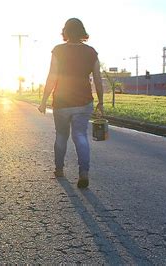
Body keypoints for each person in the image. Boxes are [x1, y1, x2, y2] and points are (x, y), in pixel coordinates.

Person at [38, 18, 104, 188]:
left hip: (61, 102)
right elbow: (98, 79)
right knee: (80, 135)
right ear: (82, 31)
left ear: (65, 31)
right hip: (84, 102)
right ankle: (84, 172)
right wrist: (101, 102)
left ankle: (59, 169)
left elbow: (52, 76)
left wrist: (44, 100)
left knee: (61, 136)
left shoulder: (58, 50)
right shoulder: (91, 52)